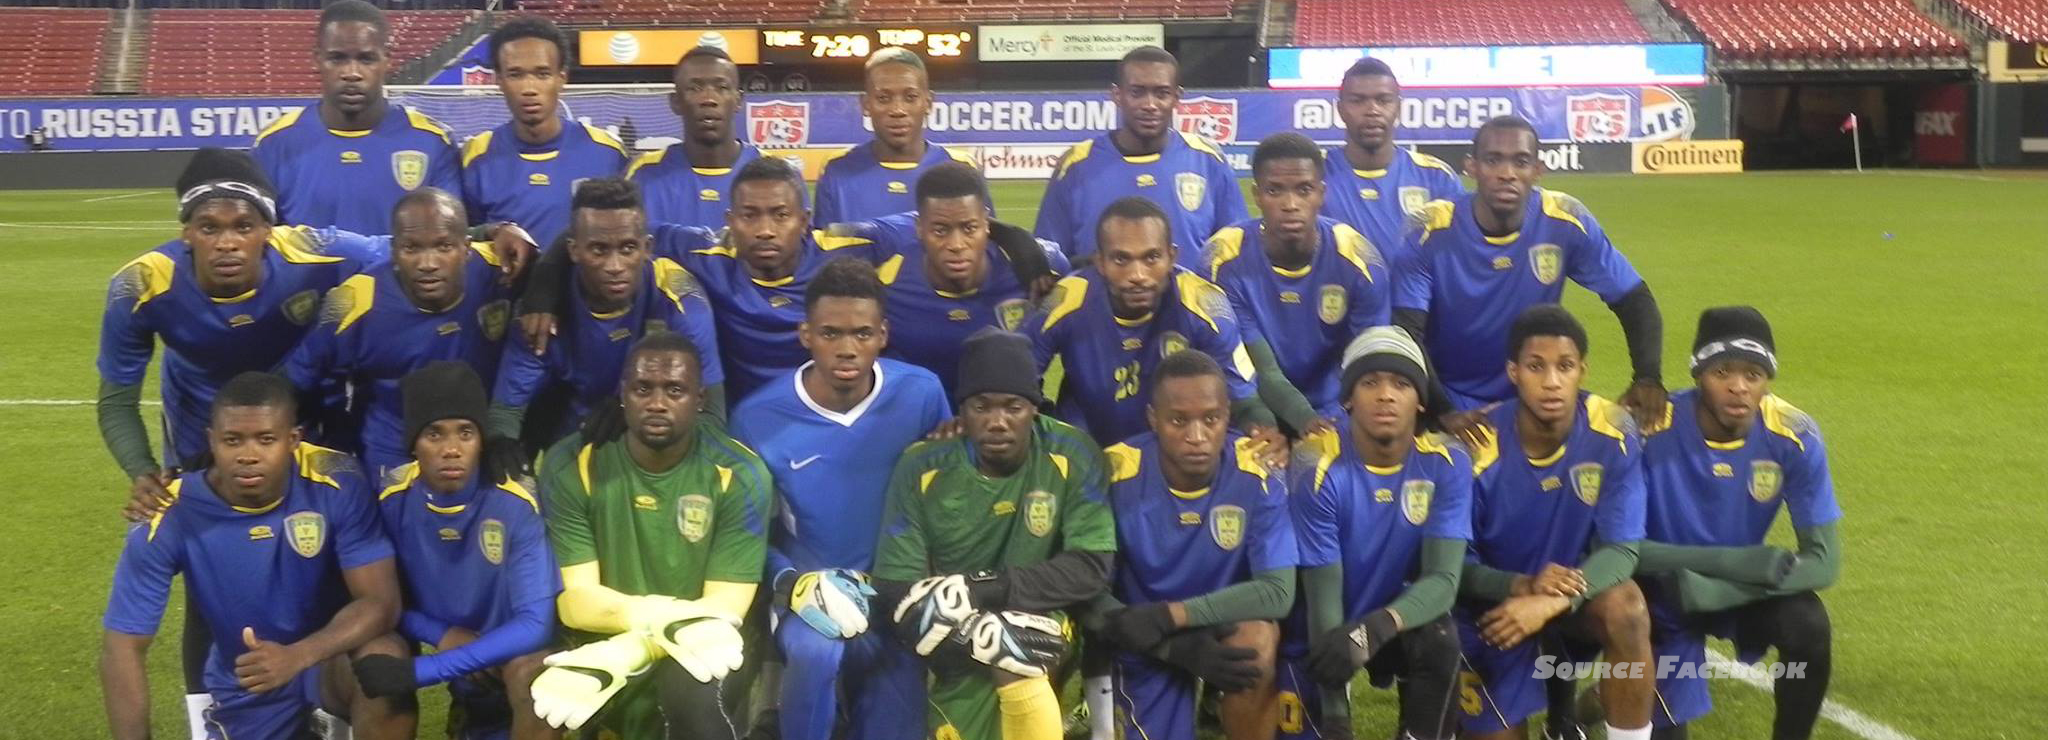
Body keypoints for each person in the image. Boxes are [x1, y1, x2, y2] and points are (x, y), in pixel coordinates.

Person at [99, 372, 413, 740]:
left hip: (326, 664)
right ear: (212, 440)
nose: (248, 456)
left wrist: (298, 656)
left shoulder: (338, 480)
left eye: (266, 439)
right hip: (248, 681)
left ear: (293, 439)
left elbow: (380, 602)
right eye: (233, 440)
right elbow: (123, 647)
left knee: (384, 659)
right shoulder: (168, 511)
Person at [728, 258, 952, 740]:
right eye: (831, 333)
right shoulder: (756, 417)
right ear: (805, 334)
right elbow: (745, 534)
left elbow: (945, 498)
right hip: (808, 598)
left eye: (862, 333)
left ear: (883, 335)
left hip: (895, 596)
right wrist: (792, 582)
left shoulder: (922, 394)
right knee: (816, 651)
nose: (847, 349)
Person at [101, 147, 381, 512]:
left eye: (243, 226)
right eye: (209, 227)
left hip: (303, 406)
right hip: (200, 421)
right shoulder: (139, 285)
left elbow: (411, 250)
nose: (226, 243)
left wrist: (478, 235)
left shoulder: (312, 250)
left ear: (268, 231)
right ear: (187, 234)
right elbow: (116, 401)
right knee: (212, 525)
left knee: (322, 521)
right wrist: (142, 471)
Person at [873, 329, 1118, 740]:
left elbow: (1092, 566)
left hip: (1046, 616)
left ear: (1035, 407)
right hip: (951, 629)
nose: (998, 422)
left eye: (1013, 407)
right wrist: (973, 634)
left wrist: (983, 588)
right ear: (962, 411)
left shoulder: (1073, 454)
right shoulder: (921, 467)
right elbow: (896, 587)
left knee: (1016, 655)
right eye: (981, 407)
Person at [525, 332, 771, 738]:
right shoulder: (571, 463)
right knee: (543, 690)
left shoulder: (740, 474)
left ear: (699, 399)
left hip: (709, 640)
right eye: (643, 389)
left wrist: (629, 651)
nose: (657, 403)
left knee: (695, 698)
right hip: (601, 633)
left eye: (674, 390)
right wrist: (654, 627)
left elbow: (725, 609)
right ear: (622, 395)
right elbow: (576, 601)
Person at [1635, 307, 1840, 740]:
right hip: (1654, 590)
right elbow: (1616, 547)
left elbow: (1824, 562)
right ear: (1698, 374)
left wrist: (1718, 590)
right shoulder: (1649, 429)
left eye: (1753, 374)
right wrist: (1733, 564)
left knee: (1808, 624)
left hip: (1729, 591)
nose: (1739, 387)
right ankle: (1574, 716)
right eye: (1722, 372)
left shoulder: (1794, 436)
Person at [1454, 306, 1655, 740]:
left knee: (1628, 607)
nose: (1551, 382)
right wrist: (1523, 587)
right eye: (1535, 367)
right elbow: (1452, 570)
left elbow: (1622, 549)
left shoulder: (1613, 431)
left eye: (1564, 366)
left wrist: (1550, 602)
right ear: (1513, 372)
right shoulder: (1473, 448)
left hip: (1571, 599)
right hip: (1490, 611)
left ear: (1582, 370)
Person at [1393, 116, 1664, 424]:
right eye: (1493, 160)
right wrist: (1444, 413)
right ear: (1471, 167)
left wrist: (1647, 377)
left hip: (1537, 396)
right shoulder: (1428, 231)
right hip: (1450, 397)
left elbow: (1633, 299)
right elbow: (1407, 333)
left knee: (1621, 435)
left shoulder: (1565, 221)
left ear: (1538, 169)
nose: (1507, 173)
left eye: (1520, 162)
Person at [1090, 351, 1298, 740]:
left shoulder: (1259, 470)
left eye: (1211, 419)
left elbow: (1278, 592)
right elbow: (1088, 592)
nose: (1197, 436)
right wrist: (1171, 646)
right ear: (1153, 418)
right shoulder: (1113, 472)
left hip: (1216, 623)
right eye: (1178, 421)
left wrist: (1174, 615)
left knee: (1256, 642)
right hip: (1146, 636)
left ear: (1228, 416)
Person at [355, 362, 559, 739]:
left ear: (482, 440)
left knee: (533, 674)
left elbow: (536, 624)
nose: (451, 449)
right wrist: (444, 633)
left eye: (465, 433)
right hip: (465, 664)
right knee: (376, 648)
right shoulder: (390, 501)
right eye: (434, 434)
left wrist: (425, 670)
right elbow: (382, 601)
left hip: (515, 657)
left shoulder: (516, 501)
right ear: (412, 443)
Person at [1285, 327, 1469, 740]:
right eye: (1370, 383)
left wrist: (1380, 626)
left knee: (1441, 639)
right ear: (1348, 398)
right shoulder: (1315, 466)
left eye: (1401, 384)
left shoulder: (1447, 461)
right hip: (1321, 630)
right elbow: (1322, 596)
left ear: (1420, 400)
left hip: (1398, 621)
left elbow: (1443, 581)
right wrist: (1336, 718)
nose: (1386, 395)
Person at [282, 188, 523, 475]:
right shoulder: (352, 301)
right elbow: (297, 376)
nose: (428, 264)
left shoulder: (504, 268)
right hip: (392, 438)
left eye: (444, 247)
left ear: (467, 248)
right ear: (393, 250)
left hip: (479, 431)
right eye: (411, 249)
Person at [1025, 196, 1281, 451]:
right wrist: (1049, 430)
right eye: (1121, 260)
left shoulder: (1205, 306)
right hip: (1083, 449)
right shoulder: (1067, 301)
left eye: (1151, 258)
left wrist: (1262, 429)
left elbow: (1244, 399)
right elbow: (1019, 381)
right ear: (1100, 262)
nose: (1137, 275)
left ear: (1171, 257)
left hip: (1171, 453)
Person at [489, 177, 724, 447]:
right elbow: (507, 410)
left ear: (647, 248)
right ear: (573, 250)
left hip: (659, 435)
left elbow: (712, 416)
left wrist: (636, 414)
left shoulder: (682, 303)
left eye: (627, 249)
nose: (615, 266)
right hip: (572, 437)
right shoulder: (541, 312)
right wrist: (500, 444)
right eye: (599, 250)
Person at [1206, 132, 1391, 433]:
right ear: (1257, 195)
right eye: (1275, 190)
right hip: (1251, 404)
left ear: (1321, 193)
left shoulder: (1361, 262)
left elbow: (1367, 360)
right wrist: (1282, 424)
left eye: (1304, 190)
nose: (1290, 204)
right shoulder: (1222, 261)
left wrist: (1335, 420)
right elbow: (1258, 369)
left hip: (1334, 407)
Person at [831, 162, 1064, 397]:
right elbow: (830, 236)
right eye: (940, 231)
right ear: (919, 228)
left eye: (969, 228)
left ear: (986, 222)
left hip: (1002, 417)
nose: (956, 245)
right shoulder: (884, 280)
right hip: (916, 417)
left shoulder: (1043, 268)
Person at [251, 0, 460, 234]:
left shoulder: (433, 142)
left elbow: (447, 239)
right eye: (337, 58)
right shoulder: (274, 143)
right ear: (317, 59)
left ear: (387, 60)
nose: (352, 73)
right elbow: (259, 239)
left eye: (366, 59)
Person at [1034, 46, 1245, 268]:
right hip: (1097, 292)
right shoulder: (1076, 165)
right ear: (1117, 95)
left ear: (1177, 97)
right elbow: (1050, 257)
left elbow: (1236, 249)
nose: (1149, 105)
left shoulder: (1208, 159)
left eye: (1162, 93)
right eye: (1137, 93)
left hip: (1190, 292)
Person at [460, 15, 630, 250]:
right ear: (499, 80)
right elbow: (457, 236)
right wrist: (492, 231)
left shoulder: (608, 152)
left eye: (542, 74)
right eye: (515, 75)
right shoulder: (476, 156)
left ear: (562, 78)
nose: (529, 88)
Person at [629, 45, 808, 229]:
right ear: (675, 102)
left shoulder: (782, 176)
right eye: (694, 88)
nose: (709, 99)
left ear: (738, 100)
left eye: (721, 87)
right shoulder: (644, 173)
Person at [812, 47, 983, 225]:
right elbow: (824, 241)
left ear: (928, 103)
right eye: (883, 98)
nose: (898, 110)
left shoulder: (962, 169)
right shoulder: (837, 169)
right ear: (865, 104)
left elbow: (983, 240)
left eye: (910, 97)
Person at [1317, 57, 1464, 258]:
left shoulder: (1437, 176)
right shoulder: (1314, 173)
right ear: (1340, 109)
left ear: (1398, 107)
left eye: (1383, 100)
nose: (1372, 111)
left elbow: (1460, 253)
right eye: (1358, 101)